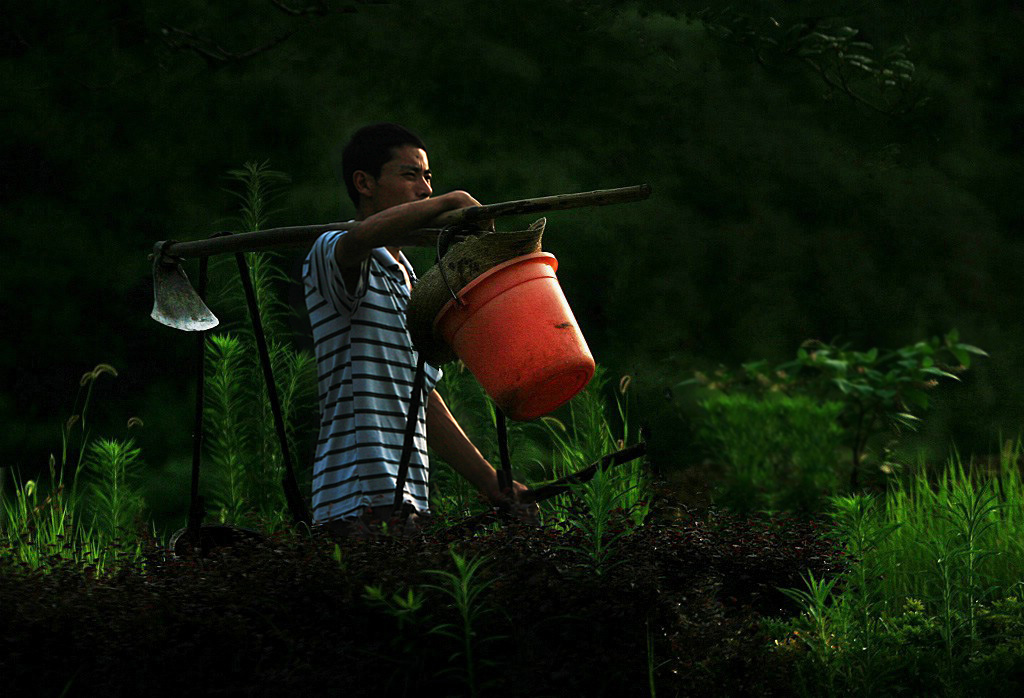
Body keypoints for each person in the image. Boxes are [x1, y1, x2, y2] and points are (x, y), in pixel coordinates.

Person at [303, 123, 533, 537]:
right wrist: (455, 200)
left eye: (428, 177)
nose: (425, 189)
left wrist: (491, 482)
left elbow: (419, 399)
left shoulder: (406, 279)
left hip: (405, 502)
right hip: (356, 500)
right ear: (364, 183)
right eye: (410, 175)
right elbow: (359, 238)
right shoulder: (332, 249)